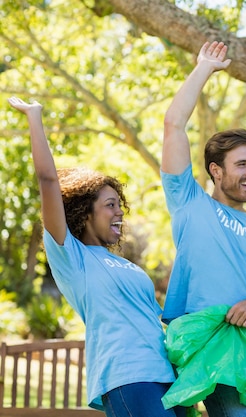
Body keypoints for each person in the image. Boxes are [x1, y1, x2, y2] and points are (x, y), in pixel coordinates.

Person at [7, 97, 185, 417]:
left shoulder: (128, 266)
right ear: (84, 212)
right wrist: (35, 116)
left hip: (167, 378)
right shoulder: (73, 259)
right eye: (110, 205)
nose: (120, 213)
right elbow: (48, 181)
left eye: (120, 205)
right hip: (128, 377)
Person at [160, 40, 246, 417]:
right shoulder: (190, 203)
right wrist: (204, 67)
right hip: (209, 349)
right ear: (216, 171)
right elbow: (173, 124)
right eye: (242, 164)